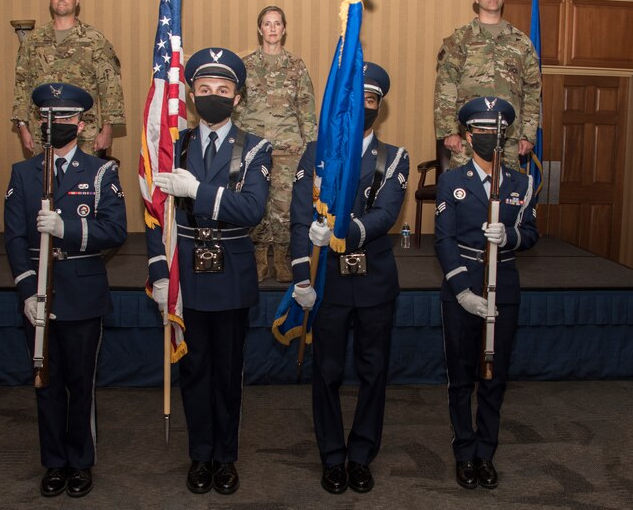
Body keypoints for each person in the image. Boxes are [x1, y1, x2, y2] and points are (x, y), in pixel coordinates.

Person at [146, 47, 272, 495]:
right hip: (186, 276)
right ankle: (200, 456)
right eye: (204, 90)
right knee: (194, 370)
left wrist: (197, 189)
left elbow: (252, 209)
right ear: (191, 94)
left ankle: (226, 456)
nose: (213, 96)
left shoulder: (256, 147)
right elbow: (155, 214)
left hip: (232, 273)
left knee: (228, 371)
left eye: (223, 90)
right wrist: (159, 273)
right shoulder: (172, 145)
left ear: (237, 98)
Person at [289, 63, 409, 494]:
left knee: (374, 371)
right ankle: (332, 456)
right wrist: (302, 278)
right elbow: (300, 218)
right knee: (328, 371)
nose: (362, 107)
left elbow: (385, 215)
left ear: (379, 107)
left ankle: (361, 454)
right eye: (354, 100)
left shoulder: (394, 157)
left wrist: (341, 232)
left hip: (374, 279)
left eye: (370, 101)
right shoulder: (316, 152)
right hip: (329, 283)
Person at [4, 82, 127, 498]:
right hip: (39, 294)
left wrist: (67, 229)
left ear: (81, 122)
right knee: (45, 382)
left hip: (81, 291)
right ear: (41, 122)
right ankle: (54, 462)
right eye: (48, 118)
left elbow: (115, 231)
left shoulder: (100, 171)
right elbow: (14, 239)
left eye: (65, 118)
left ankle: (81, 461)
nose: (56, 124)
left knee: (81, 382)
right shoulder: (23, 173)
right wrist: (27, 293)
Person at [434, 96, 538, 490]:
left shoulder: (522, 183)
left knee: (494, 376)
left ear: (505, 136)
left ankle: (485, 453)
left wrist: (510, 235)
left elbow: (531, 233)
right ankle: (464, 452)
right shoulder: (451, 182)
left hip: (504, 286)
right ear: (466, 135)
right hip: (463, 284)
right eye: (479, 131)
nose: (487, 137)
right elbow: (443, 241)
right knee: (460, 376)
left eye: (495, 132)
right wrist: (461, 290)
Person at [233, 5, 317, 283]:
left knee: (283, 204)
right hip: (254, 147)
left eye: (277, 23)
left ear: (284, 29)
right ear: (260, 29)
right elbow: (237, 107)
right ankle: (258, 257)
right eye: (267, 23)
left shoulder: (296, 66)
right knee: (256, 201)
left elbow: (306, 107)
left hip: (288, 147)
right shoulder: (245, 67)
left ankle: (281, 257)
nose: (272, 28)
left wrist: (311, 145)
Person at [434, 0, 541, 170]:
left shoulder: (521, 43)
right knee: (465, 196)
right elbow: (446, 86)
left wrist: (528, 135)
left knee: (508, 197)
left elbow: (532, 91)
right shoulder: (460, 40)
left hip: (508, 140)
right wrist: (449, 131)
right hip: (468, 141)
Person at [12, 0, 125, 156]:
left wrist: (107, 130)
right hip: (42, 130)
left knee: (82, 181)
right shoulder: (33, 40)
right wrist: (23, 126)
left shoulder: (94, 39)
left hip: (84, 132)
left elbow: (110, 86)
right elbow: (22, 84)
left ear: (77, 0)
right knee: (45, 182)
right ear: (50, 0)